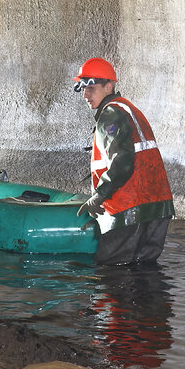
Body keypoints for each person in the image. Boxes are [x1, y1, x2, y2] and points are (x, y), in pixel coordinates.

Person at [74, 58, 175, 265]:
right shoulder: (129, 109)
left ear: (109, 86)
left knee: (112, 275)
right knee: (144, 274)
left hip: (128, 208)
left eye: (91, 88)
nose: (85, 95)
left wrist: (99, 195)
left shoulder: (110, 114)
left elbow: (123, 159)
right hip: (157, 207)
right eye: (83, 88)